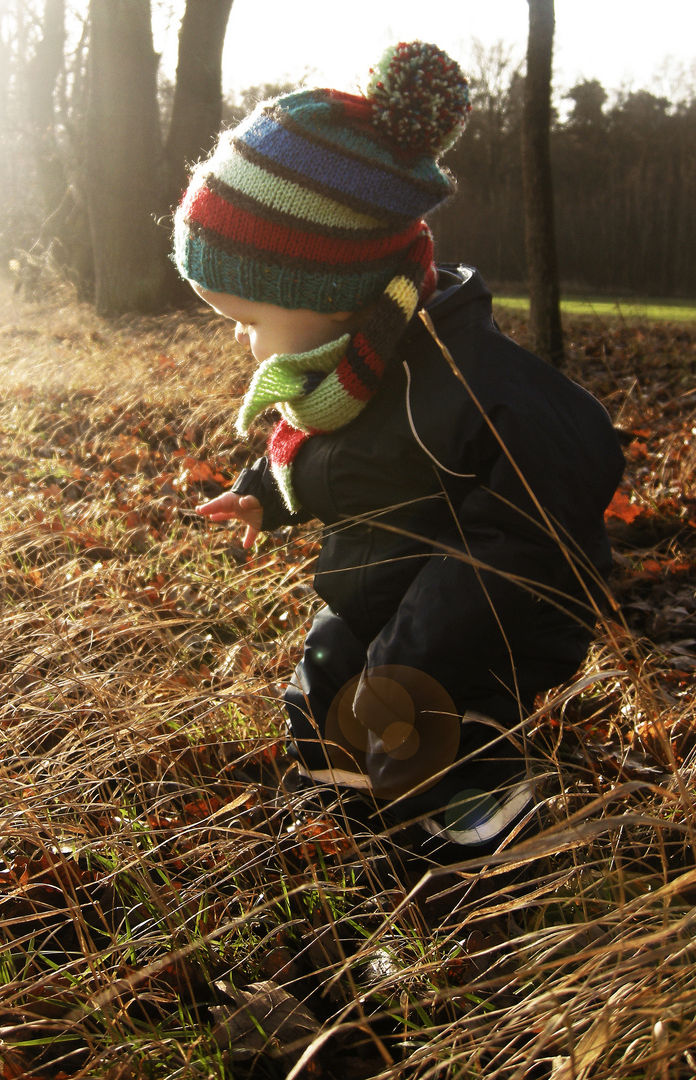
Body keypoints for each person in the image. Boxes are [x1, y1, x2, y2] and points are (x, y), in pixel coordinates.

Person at [173, 42, 625, 865]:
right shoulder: (355, 368)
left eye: (249, 316)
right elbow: (342, 458)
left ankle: (493, 825)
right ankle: (346, 812)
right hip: (378, 596)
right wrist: (266, 494)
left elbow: (565, 462)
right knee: (321, 708)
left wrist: (428, 638)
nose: (244, 341)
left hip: (478, 626)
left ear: (329, 288)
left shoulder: (461, 375)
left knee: (424, 721)